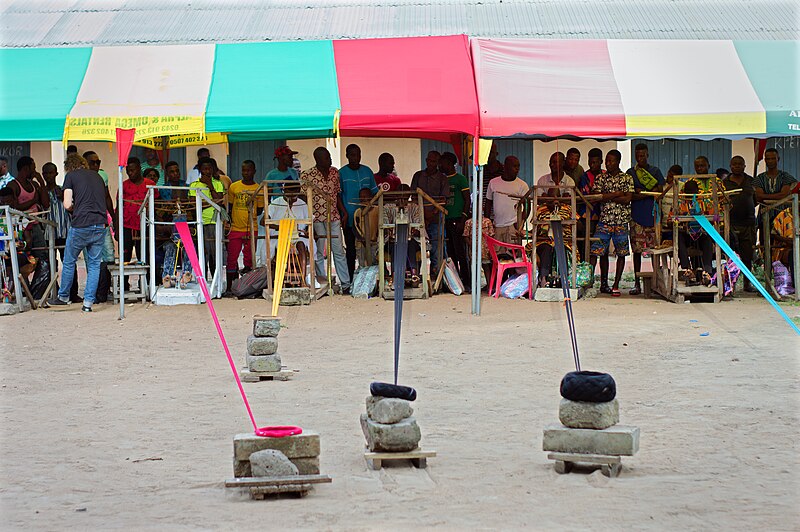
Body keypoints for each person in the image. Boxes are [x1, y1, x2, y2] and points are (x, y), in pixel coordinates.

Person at [48, 154, 111, 312]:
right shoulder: (98, 176)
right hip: (100, 224)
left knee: (69, 261)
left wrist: (76, 209)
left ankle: (63, 297)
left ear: (69, 166)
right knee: (95, 264)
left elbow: (67, 204)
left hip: (81, 224)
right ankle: (88, 304)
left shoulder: (71, 176)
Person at [301, 147, 350, 293]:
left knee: (339, 250)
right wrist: (307, 221)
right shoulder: (307, 175)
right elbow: (303, 198)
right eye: (326, 157)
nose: (330, 159)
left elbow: (337, 194)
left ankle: (346, 284)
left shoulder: (335, 172)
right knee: (318, 252)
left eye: (329, 156)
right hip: (316, 218)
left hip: (333, 216)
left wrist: (344, 212)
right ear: (318, 159)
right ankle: (322, 282)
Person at [589, 149, 633, 297]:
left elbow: (628, 199)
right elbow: (596, 197)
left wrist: (607, 197)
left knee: (621, 253)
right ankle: (596, 283)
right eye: (606, 161)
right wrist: (616, 194)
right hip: (605, 220)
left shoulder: (627, 178)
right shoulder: (601, 178)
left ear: (618, 161)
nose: (608, 163)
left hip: (621, 221)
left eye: (611, 161)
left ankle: (616, 284)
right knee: (597, 251)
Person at [627, 143, 665, 295]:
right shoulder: (631, 172)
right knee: (636, 251)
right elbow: (630, 195)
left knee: (655, 251)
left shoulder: (655, 171)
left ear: (647, 155)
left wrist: (641, 193)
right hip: (636, 217)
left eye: (642, 155)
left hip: (653, 217)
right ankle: (636, 283)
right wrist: (649, 192)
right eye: (637, 156)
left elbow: (660, 192)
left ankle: (657, 282)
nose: (640, 158)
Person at [117, 158, 159, 290]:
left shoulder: (150, 184)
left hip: (145, 225)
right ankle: (123, 285)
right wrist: (117, 228)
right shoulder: (123, 185)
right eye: (128, 170)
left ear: (139, 168)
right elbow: (118, 206)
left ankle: (146, 285)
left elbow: (157, 205)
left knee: (145, 256)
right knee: (125, 256)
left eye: (133, 170)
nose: (130, 173)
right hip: (127, 225)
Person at [339, 144, 378, 280]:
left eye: (358, 154)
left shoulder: (367, 171)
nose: (356, 158)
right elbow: (338, 195)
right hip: (350, 218)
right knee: (351, 250)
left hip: (368, 219)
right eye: (353, 155)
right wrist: (344, 213)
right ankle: (350, 279)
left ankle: (369, 277)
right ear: (347, 156)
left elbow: (375, 193)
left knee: (369, 248)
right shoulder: (341, 173)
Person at [43, 162, 80, 303]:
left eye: (51, 173)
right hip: (49, 233)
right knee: (51, 264)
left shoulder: (63, 190)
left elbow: (72, 206)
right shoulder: (43, 191)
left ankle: (73, 293)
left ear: (56, 173)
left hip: (65, 231)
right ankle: (56, 292)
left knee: (69, 262)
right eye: (45, 173)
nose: (48, 176)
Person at [226, 160, 263, 291]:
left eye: (248, 170)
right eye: (244, 170)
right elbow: (229, 207)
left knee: (249, 259)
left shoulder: (259, 188)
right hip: (235, 228)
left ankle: (248, 287)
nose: (246, 173)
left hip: (252, 229)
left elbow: (259, 211)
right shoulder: (234, 187)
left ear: (254, 171)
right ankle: (230, 287)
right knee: (231, 258)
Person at [411, 150, 449, 274]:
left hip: (436, 219)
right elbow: (413, 196)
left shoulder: (442, 178)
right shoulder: (418, 175)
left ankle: (436, 276)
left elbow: (444, 200)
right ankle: (415, 275)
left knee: (437, 249)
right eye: (429, 160)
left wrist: (431, 215)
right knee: (416, 247)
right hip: (418, 219)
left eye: (434, 161)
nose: (431, 163)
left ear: (438, 163)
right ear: (426, 160)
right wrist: (422, 214)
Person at [723, 156, 757, 291]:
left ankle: (747, 284)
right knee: (730, 255)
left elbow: (756, 200)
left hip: (748, 223)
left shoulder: (751, 181)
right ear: (730, 166)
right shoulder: (724, 183)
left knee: (747, 255)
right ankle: (730, 284)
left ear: (744, 166)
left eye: (739, 164)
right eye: (734, 164)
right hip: (730, 223)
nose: (737, 166)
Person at [266, 182, 310, 286]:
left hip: (297, 236)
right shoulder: (276, 203)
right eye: (289, 191)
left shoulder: (302, 204)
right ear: (284, 190)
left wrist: (306, 231)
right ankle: (279, 281)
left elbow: (310, 221)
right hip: (279, 237)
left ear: (298, 192)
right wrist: (282, 227)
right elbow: (263, 221)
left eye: (294, 191)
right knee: (281, 246)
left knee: (302, 245)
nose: (291, 194)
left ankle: (302, 280)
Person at [8, 157, 49, 265]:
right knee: (22, 257)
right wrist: (33, 201)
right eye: (33, 168)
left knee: (43, 255)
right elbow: (14, 207)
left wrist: (41, 182)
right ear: (26, 168)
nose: (35, 171)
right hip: (21, 225)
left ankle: (40, 281)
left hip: (35, 224)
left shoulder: (34, 185)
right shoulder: (13, 185)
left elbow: (46, 203)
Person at [188, 157, 224, 276]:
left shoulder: (218, 183)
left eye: (209, 169)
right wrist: (211, 202)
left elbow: (219, 200)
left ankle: (215, 281)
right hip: (200, 222)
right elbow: (194, 205)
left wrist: (210, 186)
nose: (207, 171)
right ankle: (202, 280)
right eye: (204, 169)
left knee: (215, 254)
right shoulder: (194, 185)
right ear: (200, 170)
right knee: (202, 254)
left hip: (215, 222)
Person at [440, 151, 471, 289]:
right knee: (450, 253)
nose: (441, 165)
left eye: (443, 162)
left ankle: (467, 280)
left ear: (450, 163)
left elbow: (467, 199)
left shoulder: (460, 179)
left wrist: (463, 218)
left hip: (457, 218)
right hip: (444, 219)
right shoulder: (442, 179)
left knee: (460, 252)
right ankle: (455, 279)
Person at [485, 155, 529, 249]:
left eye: (518, 166)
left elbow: (527, 205)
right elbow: (488, 203)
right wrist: (488, 223)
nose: (517, 169)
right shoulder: (493, 182)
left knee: (512, 257)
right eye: (514, 166)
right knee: (496, 256)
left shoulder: (522, 185)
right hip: (496, 226)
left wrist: (520, 223)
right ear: (505, 166)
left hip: (513, 226)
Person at [383, 184, 426, 278]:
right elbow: (385, 226)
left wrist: (414, 231)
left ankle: (414, 274)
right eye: (399, 196)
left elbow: (419, 226)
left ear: (409, 196)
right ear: (395, 195)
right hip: (392, 241)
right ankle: (396, 275)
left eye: (405, 196)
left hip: (411, 240)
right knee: (396, 246)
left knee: (409, 244)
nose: (402, 199)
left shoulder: (414, 207)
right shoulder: (388, 207)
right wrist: (389, 232)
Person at [754, 148, 797, 237]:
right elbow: (758, 197)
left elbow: (784, 195)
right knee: (765, 245)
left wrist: (765, 197)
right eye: (768, 159)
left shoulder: (785, 176)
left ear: (778, 159)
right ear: (765, 160)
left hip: (784, 217)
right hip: (765, 217)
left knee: (784, 245)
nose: (770, 161)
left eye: (773, 158)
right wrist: (778, 196)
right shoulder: (760, 178)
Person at [534, 197, 574, 287]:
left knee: (561, 248)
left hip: (563, 240)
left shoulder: (567, 210)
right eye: (552, 201)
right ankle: (543, 278)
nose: (555, 203)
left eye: (557, 201)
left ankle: (563, 277)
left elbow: (577, 226)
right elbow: (537, 230)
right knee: (546, 248)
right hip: (544, 240)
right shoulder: (541, 211)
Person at [354, 187, 379, 267]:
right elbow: (355, 227)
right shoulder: (358, 212)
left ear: (371, 197)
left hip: (374, 243)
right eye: (361, 197)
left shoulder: (377, 210)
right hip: (361, 243)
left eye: (365, 196)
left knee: (374, 263)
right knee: (362, 264)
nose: (363, 199)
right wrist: (363, 239)